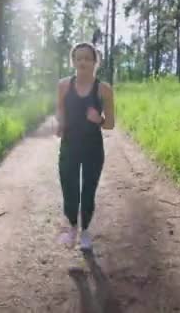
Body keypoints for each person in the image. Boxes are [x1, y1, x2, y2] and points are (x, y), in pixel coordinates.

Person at [55, 42, 115, 250]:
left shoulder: (104, 89)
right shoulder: (64, 85)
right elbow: (60, 110)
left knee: (88, 190)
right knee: (69, 187)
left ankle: (86, 232)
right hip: (69, 145)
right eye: (78, 58)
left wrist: (98, 119)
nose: (82, 62)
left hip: (92, 148)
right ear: (73, 61)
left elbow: (111, 124)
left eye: (87, 58)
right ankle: (72, 228)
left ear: (94, 62)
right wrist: (60, 123)